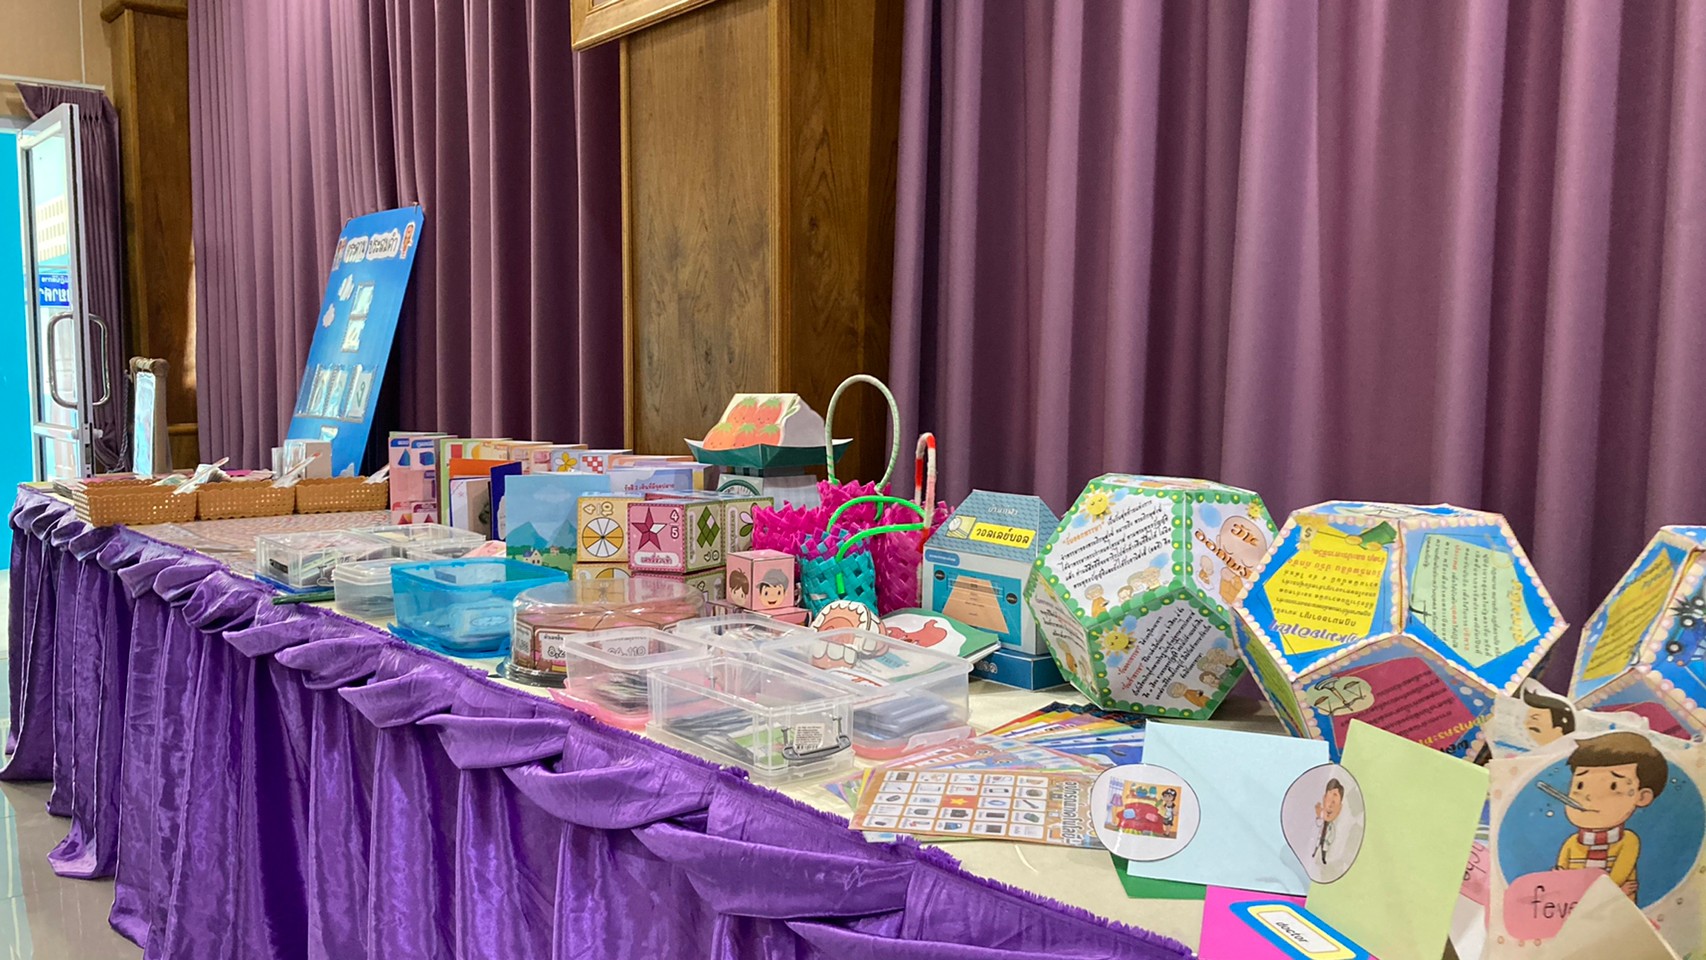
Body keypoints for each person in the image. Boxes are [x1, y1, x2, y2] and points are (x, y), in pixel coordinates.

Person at [1556, 732, 1668, 901]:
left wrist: (1601, 893)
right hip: (1574, 908)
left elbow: (1619, 876)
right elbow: (1560, 875)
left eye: (1613, 786)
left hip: (1617, 908)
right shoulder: (1572, 843)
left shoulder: (1628, 840)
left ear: (1642, 797)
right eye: (1580, 785)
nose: (1588, 796)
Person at [1314, 778, 1345, 866]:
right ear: (1324, 799)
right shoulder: (1321, 818)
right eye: (1328, 800)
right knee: (1317, 846)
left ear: (1339, 808)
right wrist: (1318, 815)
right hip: (1320, 838)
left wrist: (1328, 841)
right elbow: (1319, 824)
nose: (1330, 805)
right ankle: (1314, 853)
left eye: (1334, 802)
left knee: (1324, 850)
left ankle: (1323, 858)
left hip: (1325, 840)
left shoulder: (1331, 826)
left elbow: (1332, 834)